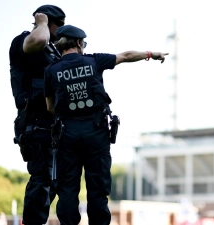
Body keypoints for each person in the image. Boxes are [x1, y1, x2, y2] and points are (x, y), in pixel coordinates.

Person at [44, 25, 168, 225]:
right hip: (96, 133)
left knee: (67, 189)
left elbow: (50, 107)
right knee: (98, 189)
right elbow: (126, 55)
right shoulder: (94, 61)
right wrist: (150, 54)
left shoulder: (51, 71)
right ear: (78, 43)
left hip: (68, 134)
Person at [9, 5, 65, 225]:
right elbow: (39, 40)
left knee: (55, 182)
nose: (60, 29)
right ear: (45, 21)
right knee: (42, 179)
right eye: (57, 25)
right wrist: (41, 23)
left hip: (54, 124)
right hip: (34, 121)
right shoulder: (24, 41)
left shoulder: (53, 51)